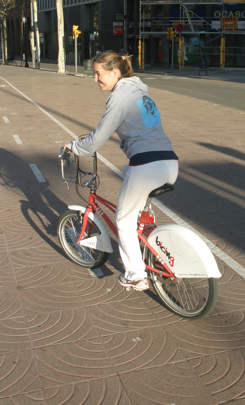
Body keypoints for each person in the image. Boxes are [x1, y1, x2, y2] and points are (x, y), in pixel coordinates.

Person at [63, 50, 178, 291]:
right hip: (168, 163)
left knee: (123, 220)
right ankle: (149, 239)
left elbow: (97, 139)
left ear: (115, 73)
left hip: (147, 165)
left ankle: (135, 273)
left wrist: (74, 147)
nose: (95, 79)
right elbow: (148, 128)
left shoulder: (120, 96)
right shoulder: (141, 94)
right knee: (129, 178)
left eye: (98, 74)